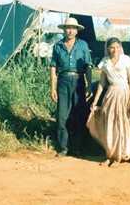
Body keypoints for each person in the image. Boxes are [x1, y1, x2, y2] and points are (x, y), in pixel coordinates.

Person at [87, 36, 130, 167]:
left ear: (120, 47)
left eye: (117, 47)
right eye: (112, 47)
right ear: (108, 48)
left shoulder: (125, 60)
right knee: (109, 123)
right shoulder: (105, 61)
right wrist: (96, 100)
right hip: (111, 94)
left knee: (121, 124)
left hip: (124, 92)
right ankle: (109, 155)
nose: (114, 50)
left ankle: (118, 157)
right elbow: (102, 83)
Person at [50, 17, 93, 157]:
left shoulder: (83, 45)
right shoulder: (57, 46)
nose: (70, 30)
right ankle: (64, 147)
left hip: (79, 81)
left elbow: (88, 66)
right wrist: (53, 88)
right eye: (67, 27)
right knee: (62, 116)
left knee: (79, 115)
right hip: (63, 81)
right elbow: (53, 67)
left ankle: (79, 147)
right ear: (63, 29)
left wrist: (89, 86)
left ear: (77, 31)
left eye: (73, 28)